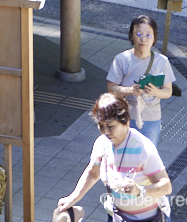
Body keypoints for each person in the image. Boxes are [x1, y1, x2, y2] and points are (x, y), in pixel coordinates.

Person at [56, 94, 173, 222]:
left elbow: (166, 187)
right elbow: (93, 172)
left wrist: (139, 190)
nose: (106, 132)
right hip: (116, 215)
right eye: (101, 126)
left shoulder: (143, 148)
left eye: (111, 126)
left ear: (126, 121)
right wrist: (73, 198)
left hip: (147, 219)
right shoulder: (102, 143)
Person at [106, 15, 175, 146]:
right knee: (124, 156)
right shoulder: (121, 59)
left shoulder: (162, 61)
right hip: (125, 117)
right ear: (131, 35)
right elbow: (111, 88)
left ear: (154, 38)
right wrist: (131, 90)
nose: (143, 39)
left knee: (147, 159)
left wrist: (155, 92)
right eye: (139, 34)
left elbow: (168, 91)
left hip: (151, 117)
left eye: (148, 35)